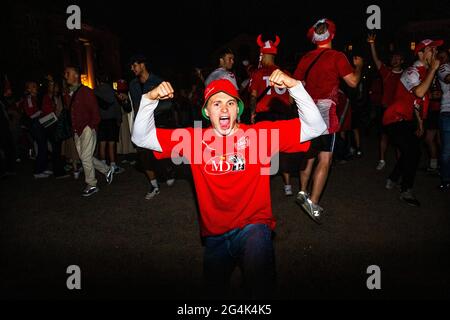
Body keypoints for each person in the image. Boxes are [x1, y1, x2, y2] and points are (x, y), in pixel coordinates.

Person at [131, 70, 326, 299]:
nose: (224, 109)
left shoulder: (259, 136)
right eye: (216, 103)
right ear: (206, 111)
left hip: (253, 225)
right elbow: (141, 138)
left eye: (230, 103)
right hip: (215, 235)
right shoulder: (193, 141)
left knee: (259, 286)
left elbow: (315, 127)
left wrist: (295, 87)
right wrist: (148, 100)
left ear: (238, 110)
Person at [293, 18, 363, 223]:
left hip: (306, 110)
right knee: (325, 158)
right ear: (332, 35)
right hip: (324, 111)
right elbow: (353, 81)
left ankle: (302, 192)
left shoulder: (306, 57)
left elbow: (294, 86)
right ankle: (312, 203)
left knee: (309, 153)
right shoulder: (337, 56)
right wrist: (358, 66)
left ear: (314, 39)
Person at [383, 39, 443, 206]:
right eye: (432, 50)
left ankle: (393, 178)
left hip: (408, 119)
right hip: (394, 118)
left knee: (413, 152)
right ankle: (406, 190)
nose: (436, 53)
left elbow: (417, 102)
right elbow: (419, 92)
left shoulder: (425, 72)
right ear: (421, 53)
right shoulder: (412, 71)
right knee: (412, 152)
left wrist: (421, 124)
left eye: (437, 50)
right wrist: (433, 70)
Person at [249, 34, 299, 196]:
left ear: (262, 54)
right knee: (282, 151)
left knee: (264, 153)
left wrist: (252, 113)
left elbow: (253, 96)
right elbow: (291, 100)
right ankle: (288, 186)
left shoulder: (257, 73)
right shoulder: (285, 73)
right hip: (283, 116)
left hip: (265, 117)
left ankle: (263, 188)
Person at [128, 54, 175, 200]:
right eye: (131, 66)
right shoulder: (133, 85)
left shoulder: (158, 81)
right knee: (143, 157)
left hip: (158, 124)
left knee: (160, 155)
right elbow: (134, 106)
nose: (132, 68)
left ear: (142, 65)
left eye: (134, 65)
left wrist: (149, 107)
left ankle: (168, 172)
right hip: (140, 126)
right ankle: (154, 185)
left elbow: (169, 103)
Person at [64, 65, 114, 197]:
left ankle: (92, 184)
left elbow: (95, 113)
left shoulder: (86, 91)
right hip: (77, 130)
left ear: (75, 75)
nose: (65, 76)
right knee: (85, 157)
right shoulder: (69, 93)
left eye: (67, 73)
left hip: (86, 128)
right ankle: (107, 170)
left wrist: (90, 127)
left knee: (85, 157)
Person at [367, 34, 404, 170]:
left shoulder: (406, 74)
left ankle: (401, 163)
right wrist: (372, 44)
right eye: (393, 58)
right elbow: (376, 59)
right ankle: (382, 159)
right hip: (386, 109)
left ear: (402, 61)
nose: (394, 60)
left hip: (399, 111)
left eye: (397, 58)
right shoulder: (386, 72)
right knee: (384, 135)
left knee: (399, 139)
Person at [17, 81, 51, 178]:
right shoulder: (28, 98)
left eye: (35, 86)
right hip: (35, 125)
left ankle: (42, 169)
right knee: (41, 147)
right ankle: (38, 171)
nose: (36, 88)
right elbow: (30, 115)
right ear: (29, 89)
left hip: (37, 125)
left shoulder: (32, 98)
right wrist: (40, 112)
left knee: (43, 146)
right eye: (33, 87)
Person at [94, 75, 124, 174]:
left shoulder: (95, 92)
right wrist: (119, 119)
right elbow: (117, 107)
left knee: (102, 143)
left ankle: (103, 166)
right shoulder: (112, 92)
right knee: (111, 144)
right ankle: (113, 165)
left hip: (101, 121)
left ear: (98, 81)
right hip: (111, 120)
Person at [437, 48, 450, 191]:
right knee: (447, 151)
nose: (442, 59)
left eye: (444, 56)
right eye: (439, 57)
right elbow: (447, 78)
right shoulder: (443, 68)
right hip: (448, 111)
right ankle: (446, 180)